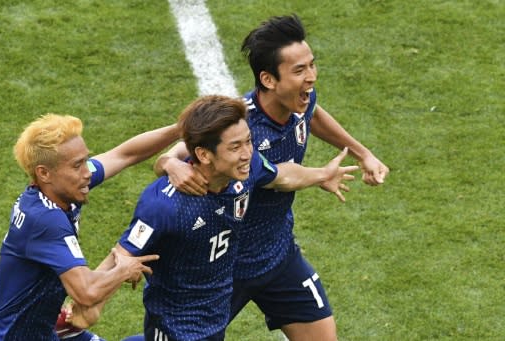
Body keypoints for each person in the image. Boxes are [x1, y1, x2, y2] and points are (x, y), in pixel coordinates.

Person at [154, 14, 389, 341]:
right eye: (299, 71)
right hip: (222, 269)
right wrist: (169, 163)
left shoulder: (300, 100)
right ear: (268, 80)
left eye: (312, 65)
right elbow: (181, 151)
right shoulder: (238, 125)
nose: (311, 78)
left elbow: (313, 115)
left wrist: (362, 153)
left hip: (277, 256)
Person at [115, 95, 358, 341]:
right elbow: (123, 253)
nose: (246, 154)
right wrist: (93, 295)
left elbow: (281, 176)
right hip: (180, 324)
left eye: (249, 142)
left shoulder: (248, 167)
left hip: (242, 285)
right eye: (235, 147)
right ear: (205, 154)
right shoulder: (165, 204)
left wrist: (320, 175)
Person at [0, 113, 180, 341]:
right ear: (44, 173)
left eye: (85, 161)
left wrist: (181, 130)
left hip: (42, 331)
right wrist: (123, 270)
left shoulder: (57, 190)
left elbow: (125, 154)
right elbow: (87, 292)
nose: (87, 173)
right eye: (77, 165)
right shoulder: (45, 221)